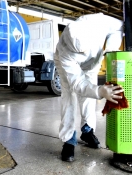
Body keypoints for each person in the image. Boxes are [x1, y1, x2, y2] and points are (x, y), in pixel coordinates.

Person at [53, 13, 125, 162]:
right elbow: (78, 84)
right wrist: (99, 91)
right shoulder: (65, 51)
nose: (83, 52)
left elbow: (119, 27)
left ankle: (87, 130)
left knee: (88, 97)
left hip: (93, 63)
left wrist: (110, 49)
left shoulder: (97, 21)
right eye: (79, 51)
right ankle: (68, 140)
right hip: (67, 65)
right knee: (70, 95)